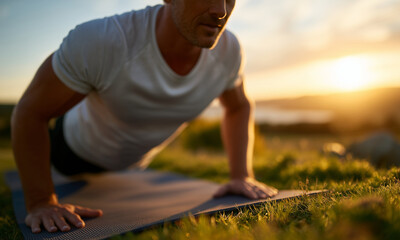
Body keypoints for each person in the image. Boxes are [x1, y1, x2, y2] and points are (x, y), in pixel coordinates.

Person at [11, 0, 278, 234]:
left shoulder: (229, 51)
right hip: (70, 152)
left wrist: (241, 175)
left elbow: (239, 106)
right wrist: (41, 201)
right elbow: (29, 112)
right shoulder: (104, 40)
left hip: (133, 166)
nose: (221, 10)